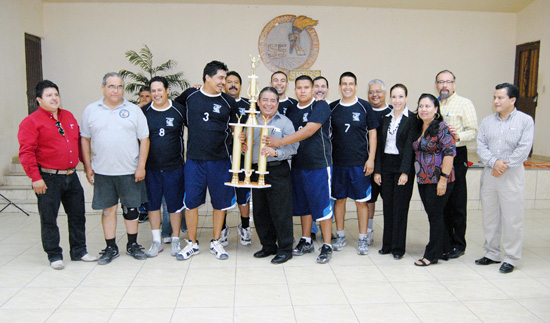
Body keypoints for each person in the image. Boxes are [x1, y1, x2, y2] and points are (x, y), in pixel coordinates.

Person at [18, 80, 97, 270]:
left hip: (71, 176)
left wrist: (87, 167)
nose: (54, 98)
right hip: (48, 178)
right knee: (49, 218)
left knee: (78, 215)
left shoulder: (67, 116)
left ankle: (79, 251)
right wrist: (35, 178)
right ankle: (54, 254)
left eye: (56, 94)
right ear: (39, 100)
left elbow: (78, 143)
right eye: (49, 95)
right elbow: (26, 152)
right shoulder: (31, 122)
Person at [81, 72, 150, 265]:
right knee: (108, 210)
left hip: (130, 171)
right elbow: (85, 139)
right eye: (111, 86)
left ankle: (132, 244)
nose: (116, 90)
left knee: (131, 210)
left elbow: (144, 139)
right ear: (103, 87)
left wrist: (141, 166)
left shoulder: (134, 110)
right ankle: (111, 246)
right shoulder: (91, 110)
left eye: (119, 86)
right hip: (103, 172)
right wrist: (88, 166)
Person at [265, 75, 334, 264]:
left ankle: (327, 244)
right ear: (294, 90)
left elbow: (309, 130)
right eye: (299, 88)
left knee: (321, 205)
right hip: (298, 165)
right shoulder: (293, 110)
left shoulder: (320, 106)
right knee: (304, 205)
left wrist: (279, 143)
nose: (302, 91)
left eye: (306, 87)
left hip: (319, 165)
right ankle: (306, 240)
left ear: (312, 89)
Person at [174, 60, 238, 261]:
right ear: (207, 78)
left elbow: (237, 129)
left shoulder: (229, 102)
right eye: (220, 78)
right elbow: (174, 111)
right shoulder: (190, 95)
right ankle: (192, 244)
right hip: (194, 161)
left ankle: (216, 241)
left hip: (220, 161)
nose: (223, 82)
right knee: (191, 204)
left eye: (225, 78)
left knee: (220, 204)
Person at [475, 83, 534, 274]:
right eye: (494, 97)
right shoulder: (487, 122)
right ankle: (492, 253)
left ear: (512, 100)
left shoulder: (525, 121)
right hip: (491, 174)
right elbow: (481, 145)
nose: (496, 101)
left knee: (512, 218)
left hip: (512, 175)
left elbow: (524, 148)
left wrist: (504, 165)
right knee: (490, 217)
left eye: (500, 98)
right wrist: (494, 162)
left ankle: (511, 257)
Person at [241, 87, 298, 264]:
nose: (268, 104)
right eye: (265, 100)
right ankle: (268, 246)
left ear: (278, 103)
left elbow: (293, 148)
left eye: (273, 100)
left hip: (277, 169)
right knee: (260, 211)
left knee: (280, 211)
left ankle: (285, 248)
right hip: (256, 170)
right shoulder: (251, 121)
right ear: (258, 102)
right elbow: (244, 146)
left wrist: (276, 152)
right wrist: (242, 148)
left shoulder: (285, 123)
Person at [330, 72, 379, 255]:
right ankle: (341, 236)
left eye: (351, 83)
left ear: (356, 86)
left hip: (360, 165)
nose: (347, 87)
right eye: (344, 83)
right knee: (339, 200)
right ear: (340, 86)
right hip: (338, 164)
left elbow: (372, 134)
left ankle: (362, 239)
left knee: (361, 202)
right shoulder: (333, 107)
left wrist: (371, 158)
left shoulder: (365, 107)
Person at [141, 76, 186, 258]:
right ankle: (156, 241)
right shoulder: (144, 112)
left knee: (174, 206)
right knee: (153, 205)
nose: (157, 94)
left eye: (160, 90)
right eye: (153, 91)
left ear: (167, 91)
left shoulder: (179, 110)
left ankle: (175, 239)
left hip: (174, 167)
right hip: (151, 168)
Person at [436, 70, 478, 259]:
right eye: (440, 82)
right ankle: (444, 241)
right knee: (440, 200)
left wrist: (458, 135)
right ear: (436, 84)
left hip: (456, 153)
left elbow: (473, 131)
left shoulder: (464, 103)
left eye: (448, 82)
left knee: (457, 201)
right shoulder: (434, 103)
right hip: (436, 156)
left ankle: (458, 244)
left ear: (454, 84)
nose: (444, 85)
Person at [412, 93, 456, 266]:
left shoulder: (442, 127)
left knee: (435, 216)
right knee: (435, 214)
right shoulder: (418, 126)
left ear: (436, 109)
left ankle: (431, 255)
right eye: (421, 106)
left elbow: (449, 153)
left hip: (439, 180)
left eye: (428, 106)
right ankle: (444, 248)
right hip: (423, 179)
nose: (424, 109)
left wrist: (443, 180)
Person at [373, 84, 415, 260]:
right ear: (390, 98)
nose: (397, 100)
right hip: (386, 166)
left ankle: (398, 247)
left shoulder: (413, 119)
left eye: (400, 97)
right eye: (394, 97)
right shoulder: (385, 118)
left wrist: (405, 172)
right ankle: (387, 245)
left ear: (406, 98)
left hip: (402, 166)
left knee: (400, 208)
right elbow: (379, 147)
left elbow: (409, 148)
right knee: (388, 207)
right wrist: (378, 171)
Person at [220, 70, 252, 247]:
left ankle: (246, 227)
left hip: (244, 158)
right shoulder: (220, 102)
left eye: (236, 82)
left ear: (241, 86)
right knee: (222, 193)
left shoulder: (249, 104)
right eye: (229, 81)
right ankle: (222, 228)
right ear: (224, 84)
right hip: (223, 156)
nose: (232, 85)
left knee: (243, 194)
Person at [366, 79, 393, 245]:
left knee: (390, 201)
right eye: (371, 92)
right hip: (368, 164)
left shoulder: (393, 112)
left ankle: (390, 234)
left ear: (385, 94)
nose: (374, 95)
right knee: (369, 200)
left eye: (378, 92)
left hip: (389, 166)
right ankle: (368, 230)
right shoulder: (365, 111)